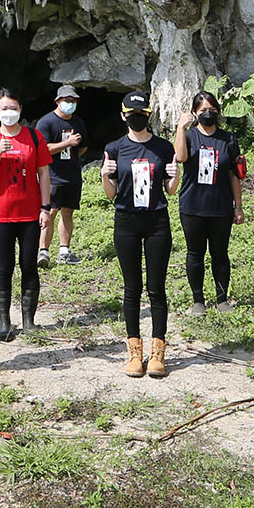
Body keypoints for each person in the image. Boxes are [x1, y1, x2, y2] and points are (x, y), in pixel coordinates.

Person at [101, 90, 178, 379]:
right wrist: (104, 176)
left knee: (157, 287)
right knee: (132, 287)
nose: (137, 118)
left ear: (149, 115)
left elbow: (169, 190)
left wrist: (176, 176)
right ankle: (134, 350)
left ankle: (158, 351)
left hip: (157, 220)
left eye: (142, 114)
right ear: (123, 115)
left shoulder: (163, 147)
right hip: (127, 221)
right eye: (131, 114)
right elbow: (111, 194)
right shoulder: (115, 148)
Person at [0, 88, 52, 341]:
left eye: (14, 108)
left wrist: (45, 207)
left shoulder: (34, 136)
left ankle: (29, 321)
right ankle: (3, 321)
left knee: (29, 265)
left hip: (30, 214)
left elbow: (44, 173)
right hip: (1, 215)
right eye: (5, 108)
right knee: (4, 266)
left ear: (21, 109)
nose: (10, 113)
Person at [173, 90, 243, 315]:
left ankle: (222, 300)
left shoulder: (228, 139)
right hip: (192, 206)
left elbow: (235, 174)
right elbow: (181, 157)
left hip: (220, 206)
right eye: (203, 110)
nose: (208, 114)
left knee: (220, 253)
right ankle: (198, 301)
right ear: (194, 113)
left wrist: (238, 206)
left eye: (212, 110)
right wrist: (180, 128)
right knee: (195, 253)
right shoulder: (190, 136)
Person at [34, 85, 88, 265]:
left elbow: (83, 147)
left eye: (73, 101)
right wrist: (67, 144)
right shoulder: (46, 122)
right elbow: (43, 149)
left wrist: (72, 152)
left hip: (72, 175)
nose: (70, 104)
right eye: (67, 100)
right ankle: (43, 251)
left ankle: (64, 251)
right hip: (52, 176)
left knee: (68, 212)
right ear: (57, 101)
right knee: (49, 212)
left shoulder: (78, 122)